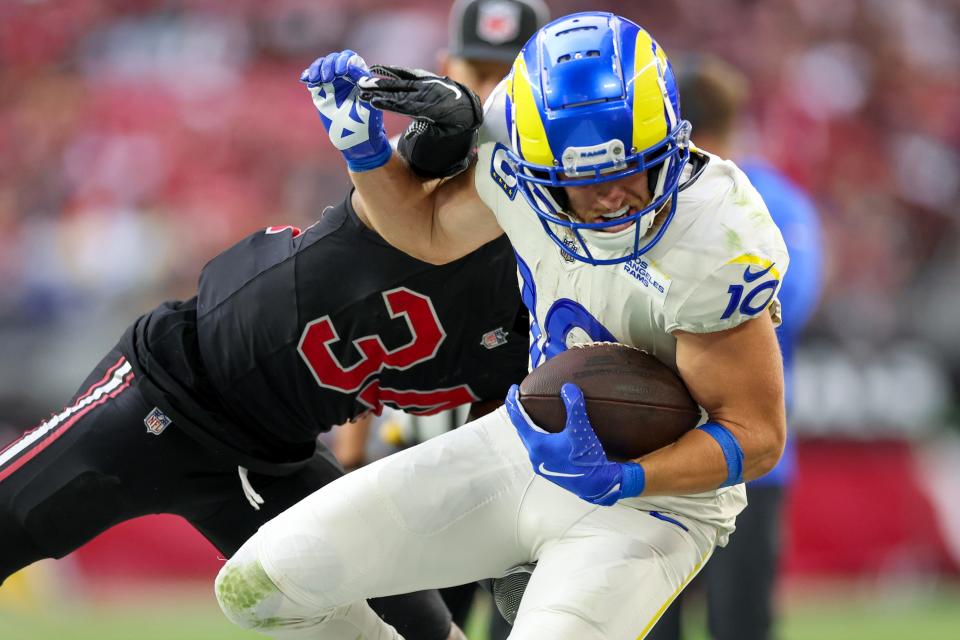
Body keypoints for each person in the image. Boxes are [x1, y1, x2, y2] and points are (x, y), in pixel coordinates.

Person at [216, 11, 789, 640]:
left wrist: (627, 477)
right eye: (581, 180)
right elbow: (426, 233)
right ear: (536, 163)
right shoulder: (511, 147)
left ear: (671, 142)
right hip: (527, 439)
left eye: (629, 168)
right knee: (258, 586)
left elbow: (756, 434)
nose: (610, 196)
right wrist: (366, 152)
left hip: (659, 501)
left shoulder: (716, 232)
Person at [0, 27, 533, 640]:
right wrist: (423, 125)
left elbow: (503, 440)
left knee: (427, 633)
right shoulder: (457, 188)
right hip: (165, 390)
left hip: (274, 460)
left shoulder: (541, 324)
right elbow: (429, 149)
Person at [329, 3, 548, 637]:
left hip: (526, 456)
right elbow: (365, 308)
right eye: (476, 70)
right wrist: (351, 456)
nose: (488, 91)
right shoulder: (403, 172)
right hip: (419, 458)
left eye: (505, 73)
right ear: (446, 68)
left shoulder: (564, 177)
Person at [645, 55, 824, 640]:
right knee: (740, 625)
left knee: (649, 620)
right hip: (750, 447)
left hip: (654, 442)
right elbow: (782, 306)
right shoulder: (779, 204)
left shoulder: (633, 204)